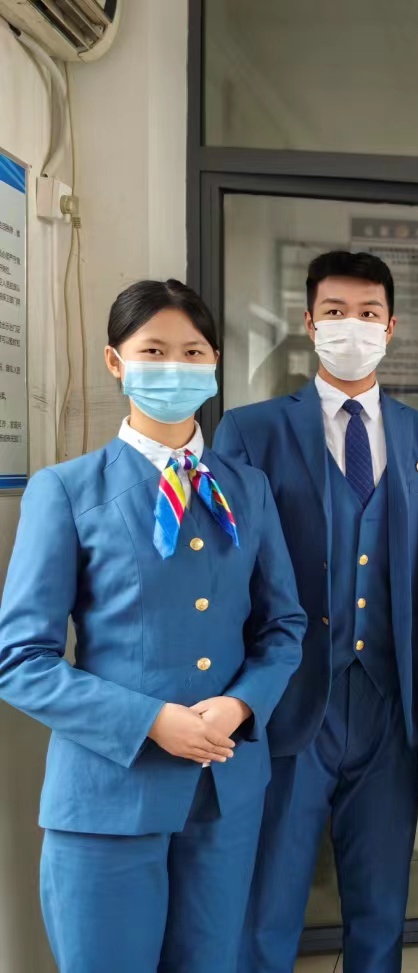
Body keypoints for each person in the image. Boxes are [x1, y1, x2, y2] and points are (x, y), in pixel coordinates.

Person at [0, 280, 305, 973]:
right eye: (153, 350)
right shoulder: (67, 489)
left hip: (223, 794)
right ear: (116, 362)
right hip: (108, 798)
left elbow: (283, 624)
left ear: (215, 362)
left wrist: (240, 704)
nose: (175, 366)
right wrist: (150, 721)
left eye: (193, 351)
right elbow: (20, 659)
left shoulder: (247, 488)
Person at [215, 251, 418, 973]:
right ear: (309, 322)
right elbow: (227, 574)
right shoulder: (251, 430)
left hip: (389, 703)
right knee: (269, 908)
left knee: (381, 909)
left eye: (369, 312)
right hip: (288, 701)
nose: (354, 325)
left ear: (392, 326)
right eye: (336, 311)